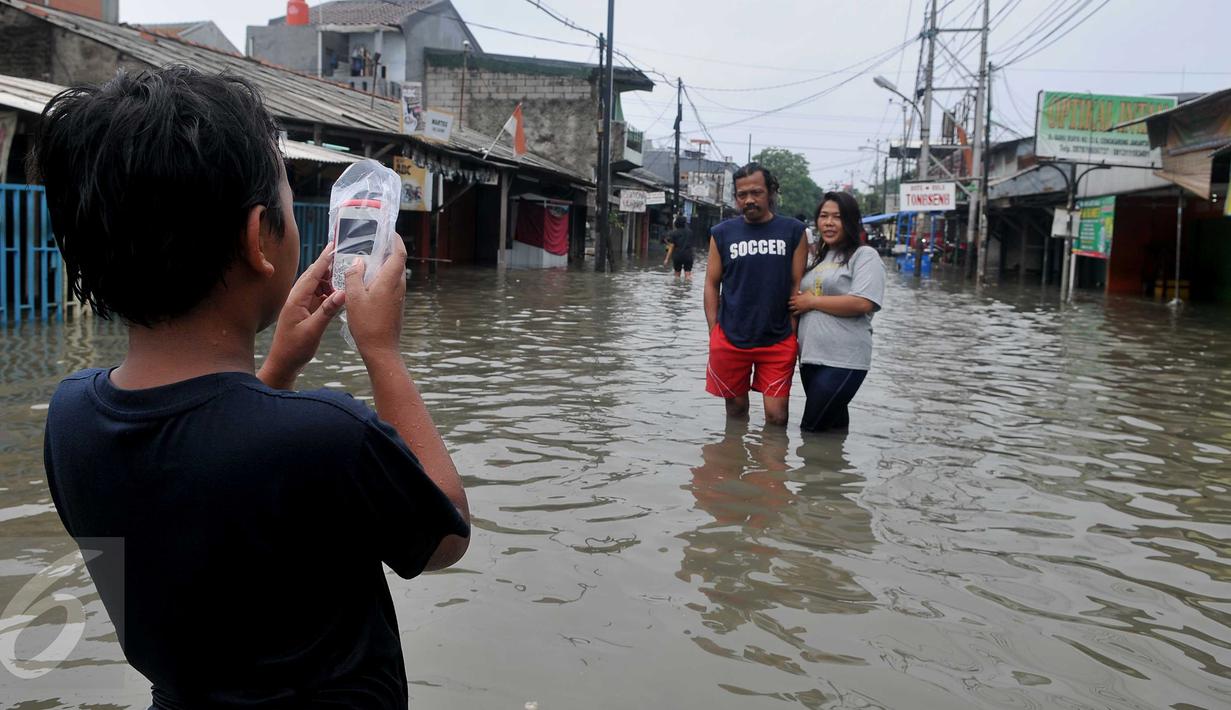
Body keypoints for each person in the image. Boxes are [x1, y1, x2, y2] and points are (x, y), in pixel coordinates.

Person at [35, 67, 470, 707]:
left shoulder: (70, 417)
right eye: (292, 210)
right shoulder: (328, 435)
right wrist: (382, 354)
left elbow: (206, 466)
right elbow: (445, 535)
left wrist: (277, 370)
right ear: (257, 238)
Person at [704, 163, 808, 426]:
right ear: (736, 197)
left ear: (770, 192)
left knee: (777, 416)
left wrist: (792, 331)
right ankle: (733, 462)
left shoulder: (794, 231)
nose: (749, 199)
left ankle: (770, 467)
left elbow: (796, 284)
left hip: (777, 338)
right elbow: (710, 283)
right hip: (731, 337)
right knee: (736, 412)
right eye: (742, 194)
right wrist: (714, 330)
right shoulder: (722, 233)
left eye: (757, 192)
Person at [788, 191, 886, 432]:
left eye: (837, 217)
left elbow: (863, 302)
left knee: (811, 430)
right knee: (831, 432)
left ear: (851, 221)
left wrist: (811, 302)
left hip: (844, 359)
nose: (829, 223)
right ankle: (838, 469)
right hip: (811, 357)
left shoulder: (864, 256)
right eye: (823, 216)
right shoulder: (817, 259)